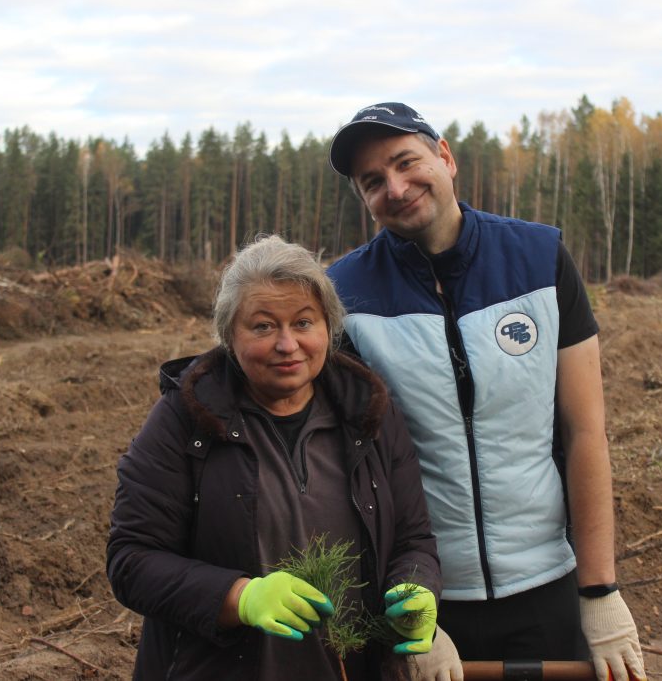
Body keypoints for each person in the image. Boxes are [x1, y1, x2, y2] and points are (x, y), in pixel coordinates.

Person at [326, 103, 647, 681]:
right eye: (373, 182)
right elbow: (352, 472)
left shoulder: (539, 258)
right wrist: (406, 610)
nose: (395, 188)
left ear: (445, 157)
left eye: (406, 163)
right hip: (429, 598)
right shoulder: (344, 294)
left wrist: (599, 591)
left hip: (547, 581)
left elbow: (584, 431)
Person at [107, 234, 443, 680]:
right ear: (229, 334)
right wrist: (239, 597)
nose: (288, 344)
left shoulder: (369, 414)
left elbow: (412, 539)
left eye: (304, 322)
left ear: (329, 327)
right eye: (263, 326)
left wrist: (415, 587)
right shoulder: (184, 420)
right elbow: (132, 560)